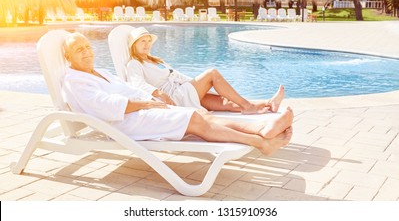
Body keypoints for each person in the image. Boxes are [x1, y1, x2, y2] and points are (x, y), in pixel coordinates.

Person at [62, 32, 293, 155]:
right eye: (78, 49)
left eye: (87, 47)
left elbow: (127, 90)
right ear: (67, 57)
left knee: (201, 115)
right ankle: (259, 142)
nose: (86, 52)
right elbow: (106, 106)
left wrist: (149, 101)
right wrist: (146, 102)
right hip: (126, 123)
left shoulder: (99, 72)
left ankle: (262, 128)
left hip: (142, 110)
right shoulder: (74, 80)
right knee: (194, 119)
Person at [126, 27, 285, 114]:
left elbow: (177, 75)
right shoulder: (134, 64)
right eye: (142, 42)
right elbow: (136, 84)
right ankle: (250, 107)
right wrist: (159, 94)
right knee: (212, 73)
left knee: (225, 102)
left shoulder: (154, 60)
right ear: (134, 45)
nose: (147, 45)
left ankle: (268, 104)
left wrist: (197, 84)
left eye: (148, 41)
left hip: (183, 90)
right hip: (174, 97)